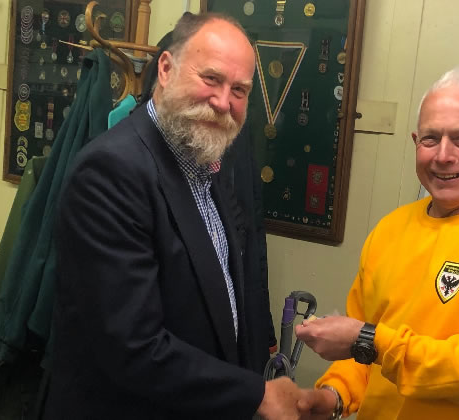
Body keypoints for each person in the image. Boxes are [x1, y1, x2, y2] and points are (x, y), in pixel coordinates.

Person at [44, 13, 320, 419]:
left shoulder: (210, 160)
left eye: (239, 90)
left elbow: (223, 299)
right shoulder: (110, 173)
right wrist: (256, 395)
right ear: (167, 69)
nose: (224, 102)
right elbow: (132, 346)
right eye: (211, 79)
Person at [295, 67, 459, 420]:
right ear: (415, 143)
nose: (443, 156)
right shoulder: (390, 229)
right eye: (430, 139)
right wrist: (332, 397)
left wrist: (371, 341)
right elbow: (361, 352)